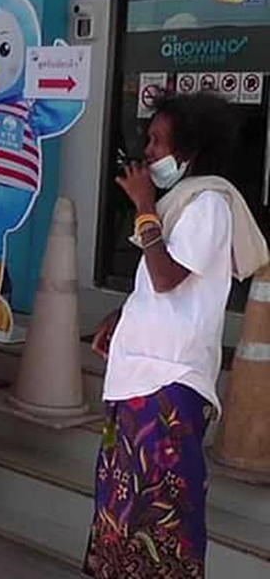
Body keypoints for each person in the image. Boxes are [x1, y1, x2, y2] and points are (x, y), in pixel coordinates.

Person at [85, 93, 269, 578]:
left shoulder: (209, 205)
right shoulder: (182, 204)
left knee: (160, 517)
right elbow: (159, 287)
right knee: (122, 513)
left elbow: (167, 276)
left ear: (188, 150)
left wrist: (144, 205)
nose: (147, 152)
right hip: (139, 381)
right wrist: (121, 316)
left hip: (168, 386)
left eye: (157, 141)